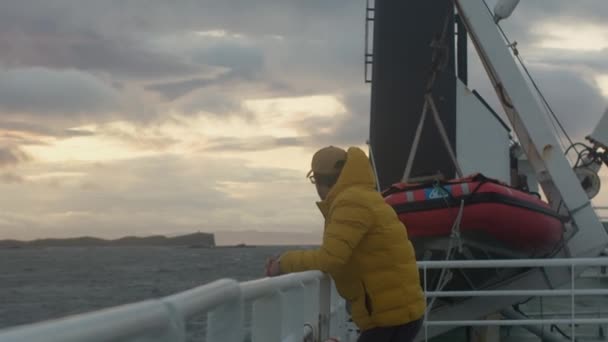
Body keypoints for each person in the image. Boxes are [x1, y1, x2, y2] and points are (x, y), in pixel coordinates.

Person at [265, 146, 425, 342]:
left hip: (388, 317)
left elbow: (330, 259)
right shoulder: (366, 196)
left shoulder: (349, 202)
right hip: (401, 311)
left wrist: (284, 262)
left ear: (317, 180)